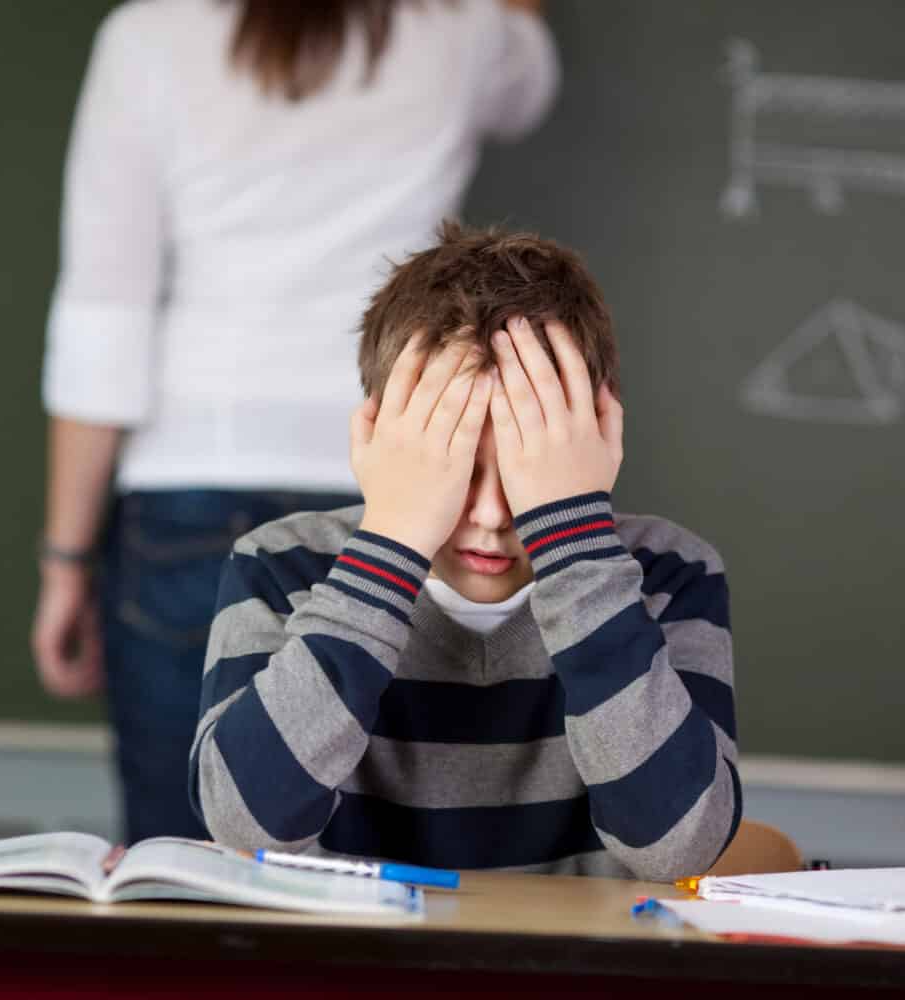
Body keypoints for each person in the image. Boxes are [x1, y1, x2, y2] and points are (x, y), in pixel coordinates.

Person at [32, 0, 560, 843]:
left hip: (189, 491)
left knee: (181, 864)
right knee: (372, 857)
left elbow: (105, 313)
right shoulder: (459, 32)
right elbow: (529, 82)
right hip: (401, 486)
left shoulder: (149, 37)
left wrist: (66, 560)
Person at [189, 223, 740, 879]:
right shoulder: (284, 565)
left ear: (594, 441)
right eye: (451, 469)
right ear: (380, 441)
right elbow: (246, 826)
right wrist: (393, 539)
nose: (486, 516)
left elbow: (680, 847)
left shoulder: (669, 573)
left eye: (522, 471)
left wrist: (574, 541)